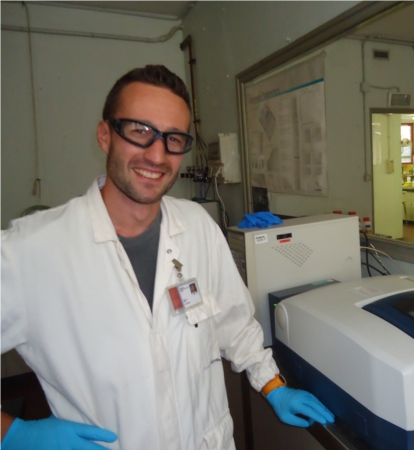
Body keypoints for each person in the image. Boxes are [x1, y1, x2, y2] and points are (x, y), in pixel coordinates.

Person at [1, 65, 334, 449]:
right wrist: (14, 434)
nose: (157, 154)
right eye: (140, 130)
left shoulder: (198, 226)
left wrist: (273, 386)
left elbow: (234, 322)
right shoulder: (32, 251)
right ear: (105, 135)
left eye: (173, 138)